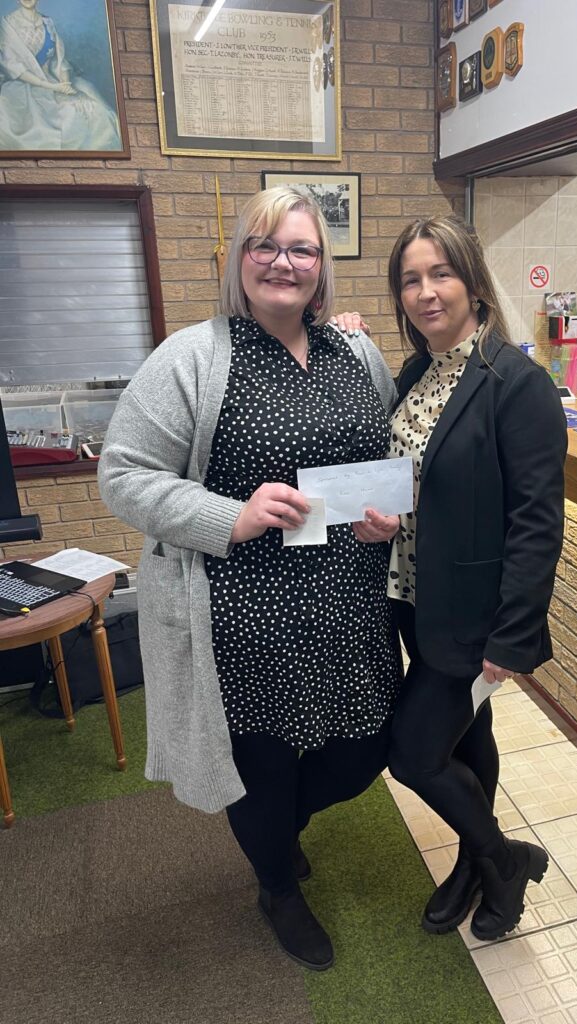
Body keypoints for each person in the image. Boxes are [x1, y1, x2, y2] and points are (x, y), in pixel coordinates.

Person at [98, 187, 403, 972]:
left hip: (348, 603)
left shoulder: (354, 354)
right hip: (244, 614)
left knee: (364, 748)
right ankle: (276, 884)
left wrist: (382, 518)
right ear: (239, 259)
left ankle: (279, 831)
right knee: (262, 765)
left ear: (321, 265)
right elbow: (123, 474)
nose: (283, 262)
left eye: (301, 248)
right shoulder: (192, 358)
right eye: (264, 245)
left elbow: (379, 460)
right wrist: (229, 515)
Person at [384, 215, 567, 941]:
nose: (426, 292)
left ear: (473, 282)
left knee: (412, 753)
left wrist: (512, 635)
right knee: (469, 733)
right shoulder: (416, 372)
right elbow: (414, 480)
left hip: (470, 614)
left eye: (441, 273)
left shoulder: (516, 384)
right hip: (410, 596)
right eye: (410, 279)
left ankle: (504, 858)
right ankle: (473, 863)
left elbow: (536, 523)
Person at [0, 0, 122, 152]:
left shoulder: (48, 22)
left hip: (55, 80)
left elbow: (59, 60)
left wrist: (65, 85)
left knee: (97, 110)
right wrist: (51, 87)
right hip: (24, 86)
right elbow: (13, 66)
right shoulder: (8, 24)